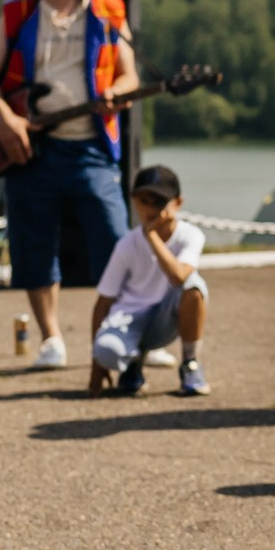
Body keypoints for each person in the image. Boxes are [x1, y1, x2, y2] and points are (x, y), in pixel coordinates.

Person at [0, 0, 139, 374]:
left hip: (91, 145)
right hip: (31, 148)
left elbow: (129, 75)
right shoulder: (18, 12)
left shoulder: (108, 9)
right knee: (33, 242)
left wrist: (118, 92)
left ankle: (124, 329)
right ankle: (51, 336)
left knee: (113, 235)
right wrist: (7, 121)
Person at [87, 165, 210, 398]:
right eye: (144, 201)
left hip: (166, 320)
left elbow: (178, 277)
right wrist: (96, 365)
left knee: (194, 287)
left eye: (159, 202)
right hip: (130, 319)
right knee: (106, 351)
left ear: (178, 203)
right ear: (133, 201)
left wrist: (151, 236)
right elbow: (103, 301)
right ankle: (132, 364)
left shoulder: (190, 235)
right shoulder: (126, 244)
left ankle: (190, 364)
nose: (150, 209)